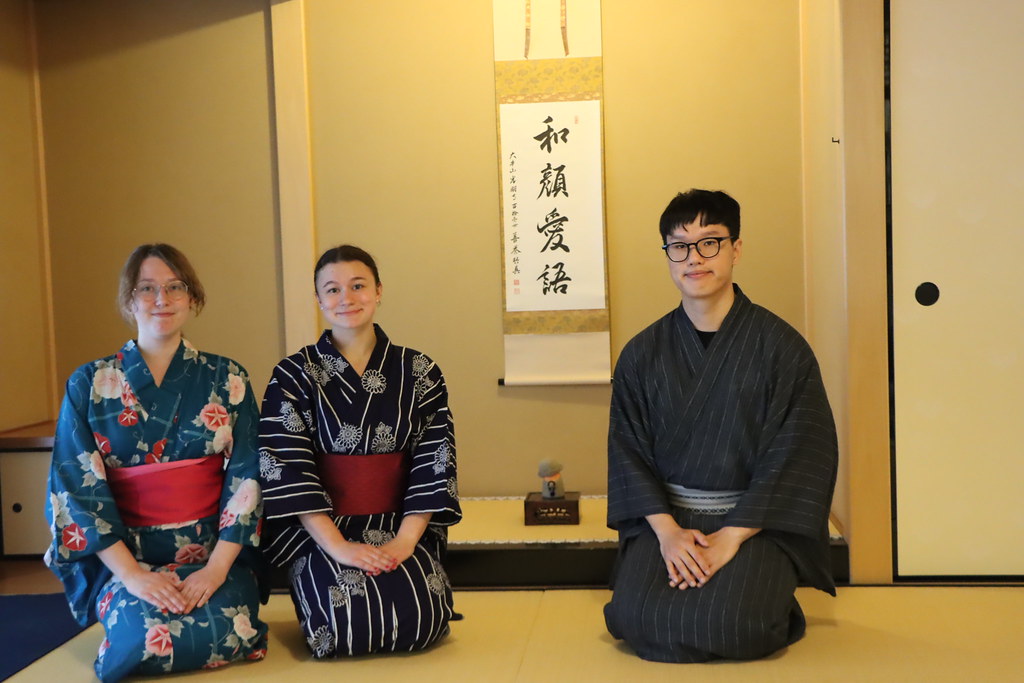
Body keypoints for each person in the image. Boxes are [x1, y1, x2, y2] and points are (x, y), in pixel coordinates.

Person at [603, 189, 838, 662]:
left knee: (737, 625)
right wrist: (668, 533)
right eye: (680, 246)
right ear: (668, 256)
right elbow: (627, 450)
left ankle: (767, 583)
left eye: (710, 242)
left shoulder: (781, 348)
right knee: (634, 619)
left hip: (752, 520)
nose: (694, 258)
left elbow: (802, 450)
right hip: (668, 519)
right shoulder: (642, 353)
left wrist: (732, 535)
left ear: (736, 248)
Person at [44, 244, 269, 681]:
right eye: (147, 289)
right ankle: (127, 605)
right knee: (135, 640)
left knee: (231, 628)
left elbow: (248, 476)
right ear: (129, 300)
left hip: (211, 557)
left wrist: (216, 569)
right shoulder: (90, 383)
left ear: (192, 297)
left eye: (174, 287)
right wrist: (133, 577)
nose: (161, 299)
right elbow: (75, 485)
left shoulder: (229, 378)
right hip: (131, 560)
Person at [258, 244, 461, 657]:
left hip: (399, 523)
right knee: (341, 623)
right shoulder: (294, 375)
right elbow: (287, 467)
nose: (345, 298)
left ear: (379, 291)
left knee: (421, 616)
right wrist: (338, 546)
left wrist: (405, 543)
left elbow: (433, 462)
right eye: (331, 290)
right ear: (318, 300)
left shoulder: (419, 371)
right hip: (323, 531)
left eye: (357, 285)